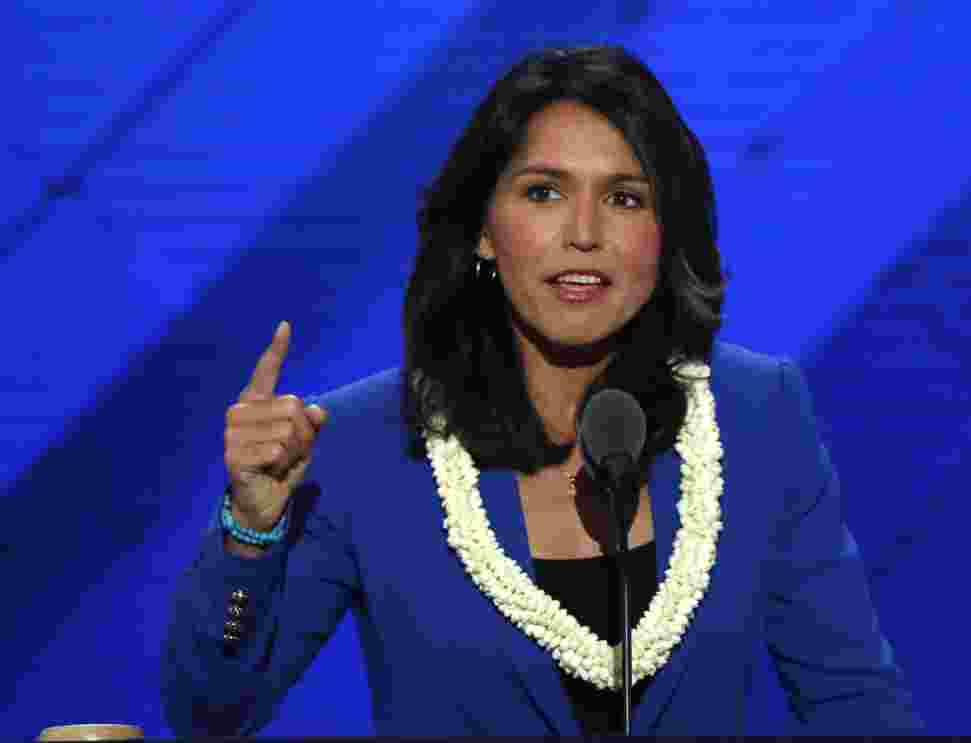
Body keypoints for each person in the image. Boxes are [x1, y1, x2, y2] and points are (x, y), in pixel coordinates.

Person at [160, 45, 924, 736]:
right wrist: (251, 528)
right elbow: (212, 709)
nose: (584, 233)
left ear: (666, 235)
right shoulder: (367, 442)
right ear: (484, 230)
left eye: (626, 197)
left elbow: (858, 709)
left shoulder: (757, 416)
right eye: (544, 192)